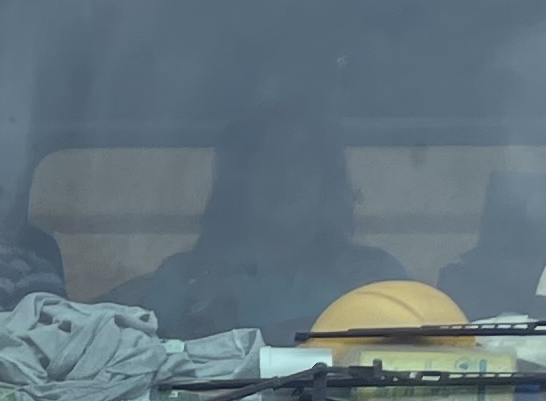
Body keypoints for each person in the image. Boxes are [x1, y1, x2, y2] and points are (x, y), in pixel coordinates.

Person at [117, 104, 403, 341]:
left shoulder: (376, 279)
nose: (286, 175)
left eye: (302, 160)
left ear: (328, 181)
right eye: (269, 160)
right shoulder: (183, 281)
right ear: (238, 182)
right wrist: (197, 330)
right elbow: (144, 370)